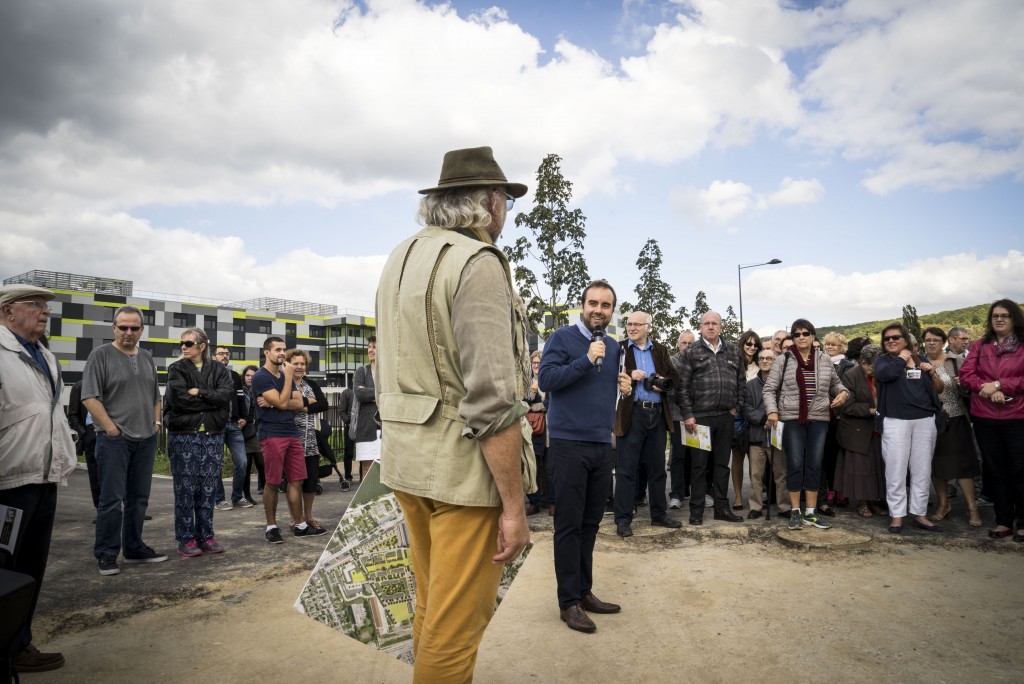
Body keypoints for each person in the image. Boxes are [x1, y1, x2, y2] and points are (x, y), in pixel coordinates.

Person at [375, 146, 536, 680]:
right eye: (507, 201)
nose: (506, 213)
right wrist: (513, 506)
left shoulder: (401, 254)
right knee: (455, 630)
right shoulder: (478, 260)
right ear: (490, 203)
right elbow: (491, 398)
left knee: (432, 607)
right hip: (462, 476)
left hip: (405, 462)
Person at [539, 278, 632, 634]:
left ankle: (584, 591)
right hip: (567, 445)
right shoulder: (562, 338)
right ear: (582, 305)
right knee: (568, 525)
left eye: (605, 305)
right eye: (593, 303)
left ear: (612, 311)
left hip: (600, 445)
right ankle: (569, 603)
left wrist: (623, 389)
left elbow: (601, 393)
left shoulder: (612, 346)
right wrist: (584, 360)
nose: (598, 310)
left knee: (591, 523)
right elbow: (547, 380)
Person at [0, 284, 76, 673]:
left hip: (43, 474)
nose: (44, 312)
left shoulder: (44, 354)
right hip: (8, 478)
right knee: (3, 566)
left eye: (46, 306)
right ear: (8, 311)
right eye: (35, 305)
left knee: (31, 566)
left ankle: (18, 644)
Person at [81, 305, 167, 576]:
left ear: (141, 329)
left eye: (134, 327)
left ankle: (134, 548)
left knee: (139, 498)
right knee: (111, 499)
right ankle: (106, 553)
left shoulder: (146, 357)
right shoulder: (101, 355)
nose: (128, 332)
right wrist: (110, 429)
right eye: (123, 327)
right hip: (115, 440)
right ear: (114, 328)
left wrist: (155, 423)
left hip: (145, 438)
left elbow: (155, 395)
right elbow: (89, 397)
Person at [763, 319, 848, 531]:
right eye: (797, 334)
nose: (801, 337)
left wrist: (844, 393)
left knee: (814, 464)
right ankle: (795, 512)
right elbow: (769, 389)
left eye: (805, 333)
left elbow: (836, 383)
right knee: (795, 464)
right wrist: (772, 411)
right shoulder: (783, 360)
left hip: (819, 418)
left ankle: (811, 512)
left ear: (813, 336)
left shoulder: (825, 359)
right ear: (793, 338)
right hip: (792, 418)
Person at [164, 328, 234, 557]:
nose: (183, 346)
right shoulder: (176, 369)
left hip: (212, 435)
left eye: (188, 343)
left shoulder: (219, 369)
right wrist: (210, 400)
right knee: (185, 488)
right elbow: (179, 400)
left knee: (208, 487)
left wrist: (200, 393)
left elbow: (226, 396)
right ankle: (186, 538)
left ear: (202, 346)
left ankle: (206, 536)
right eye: (181, 343)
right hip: (184, 435)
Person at [612, 311, 682, 537]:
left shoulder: (659, 350)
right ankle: (623, 519)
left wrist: (663, 385)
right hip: (632, 414)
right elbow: (607, 374)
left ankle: (659, 515)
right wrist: (630, 374)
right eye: (629, 324)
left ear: (648, 327)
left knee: (657, 470)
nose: (631, 328)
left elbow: (674, 377)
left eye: (636, 324)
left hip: (657, 415)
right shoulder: (620, 349)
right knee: (626, 470)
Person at [959, 299, 1024, 541]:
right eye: (995, 315)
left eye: (1004, 315)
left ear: (1014, 318)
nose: (999, 319)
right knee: (996, 471)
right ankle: (1003, 522)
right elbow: (966, 375)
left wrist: (1000, 384)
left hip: (1018, 417)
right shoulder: (980, 345)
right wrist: (987, 389)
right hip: (985, 417)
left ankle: (1023, 522)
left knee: (1019, 470)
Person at [677, 311, 747, 526]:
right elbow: (682, 387)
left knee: (721, 465)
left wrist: (737, 407)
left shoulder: (734, 352)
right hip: (699, 419)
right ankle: (696, 511)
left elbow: (741, 384)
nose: (710, 327)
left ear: (721, 327)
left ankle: (721, 509)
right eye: (706, 323)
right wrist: (688, 415)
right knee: (698, 467)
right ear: (700, 327)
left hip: (726, 417)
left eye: (714, 323)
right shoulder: (691, 352)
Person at [873, 323, 944, 534]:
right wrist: (903, 357)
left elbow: (939, 389)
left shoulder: (922, 361)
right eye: (887, 339)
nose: (891, 341)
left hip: (924, 419)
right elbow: (887, 376)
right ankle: (897, 516)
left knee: (922, 469)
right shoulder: (883, 362)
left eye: (895, 337)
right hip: (896, 421)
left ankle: (920, 514)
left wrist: (931, 373)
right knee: (895, 469)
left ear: (905, 339)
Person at [921, 327, 982, 526]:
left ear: (943, 341)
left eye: (936, 340)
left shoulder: (955, 361)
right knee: (937, 466)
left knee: (963, 466)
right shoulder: (918, 364)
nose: (931, 343)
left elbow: (973, 384)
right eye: (928, 340)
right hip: (931, 420)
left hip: (956, 418)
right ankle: (943, 505)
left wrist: (963, 383)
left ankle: (972, 508)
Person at [251, 336, 309, 543]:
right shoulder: (260, 377)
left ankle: (300, 524)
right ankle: (271, 526)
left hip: (291, 433)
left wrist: (276, 401)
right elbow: (284, 403)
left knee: (296, 480)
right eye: (277, 349)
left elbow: (299, 403)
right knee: (273, 482)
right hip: (272, 434)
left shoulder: (285, 375)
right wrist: (285, 386)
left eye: (283, 349)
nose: (282, 353)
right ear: (266, 353)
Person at [834, 344, 888, 518]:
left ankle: (874, 501)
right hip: (857, 431)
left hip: (879, 430)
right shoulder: (850, 376)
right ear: (863, 362)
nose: (874, 370)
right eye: (871, 365)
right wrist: (872, 410)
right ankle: (862, 502)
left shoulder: (882, 375)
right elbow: (846, 407)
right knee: (861, 470)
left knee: (877, 468)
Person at [285, 349, 329, 535]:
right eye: (296, 363)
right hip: (291, 439)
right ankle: (296, 519)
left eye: (302, 364)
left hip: (311, 440)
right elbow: (284, 403)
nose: (299, 367)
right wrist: (307, 402)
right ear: (288, 365)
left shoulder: (311, 383)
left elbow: (323, 404)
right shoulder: (284, 384)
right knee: (295, 481)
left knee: (311, 482)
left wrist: (301, 407)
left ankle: (309, 517)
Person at [742, 348, 790, 519]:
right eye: (761, 358)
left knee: (781, 474)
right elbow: (746, 409)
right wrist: (764, 419)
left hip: (778, 436)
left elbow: (788, 406)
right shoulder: (750, 385)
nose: (764, 361)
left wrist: (774, 420)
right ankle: (755, 507)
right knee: (755, 475)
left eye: (769, 358)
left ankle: (784, 507)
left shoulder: (784, 384)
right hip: (756, 436)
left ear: (776, 361)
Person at [213, 346, 253, 509]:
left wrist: (243, 417)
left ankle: (237, 497)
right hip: (216, 425)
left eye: (226, 354)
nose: (224, 356)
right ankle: (219, 499)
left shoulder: (234, 376)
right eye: (221, 353)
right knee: (216, 463)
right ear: (213, 356)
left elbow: (241, 398)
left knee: (242, 462)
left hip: (234, 425)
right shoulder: (209, 374)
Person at [730, 330, 762, 511]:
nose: (752, 347)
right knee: (738, 457)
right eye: (748, 344)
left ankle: (755, 498)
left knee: (756, 460)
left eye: (755, 344)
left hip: (756, 416)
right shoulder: (734, 365)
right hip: (737, 416)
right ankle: (738, 497)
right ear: (742, 344)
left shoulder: (761, 364)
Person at [667, 330, 696, 509]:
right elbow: (669, 389)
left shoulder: (701, 360)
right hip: (677, 415)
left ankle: (699, 493)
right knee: (678, 456)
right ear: (679, 344)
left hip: (697, 415)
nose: (687, 346)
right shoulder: (671, 362)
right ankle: (676, 494)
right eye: (684, 343)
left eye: (691, 343)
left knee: (698, 457)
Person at [525, 351, 552, 516]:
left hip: (549, 429)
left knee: (550, 468)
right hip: (532, 429)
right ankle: (534, 502)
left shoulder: (549, 380)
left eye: (539, 362)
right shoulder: (526, 382)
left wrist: (535, 406)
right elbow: (522, 402)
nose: (536, 365)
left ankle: (552, 502)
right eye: (534, 363)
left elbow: (552, 402)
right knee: (532, 467)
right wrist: (533, 394)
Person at [67, 380, 99, 511]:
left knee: (122, 472)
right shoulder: (79, 387)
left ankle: (131, 510)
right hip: (91, 433)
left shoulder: (110, 383)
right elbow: (72, 414)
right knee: (95, 474)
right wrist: (83, 433)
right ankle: (101, 510)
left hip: (112, 431)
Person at [352, 336, 379, 479]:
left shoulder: (388, 370)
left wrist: (369, 392)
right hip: (366, 428)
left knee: (385, 468)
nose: (371, 350)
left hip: (385, 429)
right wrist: (379, 394)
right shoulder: (361, 371)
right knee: (367, 469)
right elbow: (359, 394)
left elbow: (391, 392)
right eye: (369, 347)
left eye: (374, 347)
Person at [240, 365, 265, 499]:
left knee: (262, 464)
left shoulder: (260, 390)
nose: (250, 378)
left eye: (253, 375)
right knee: (247, 465)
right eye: (248, 375)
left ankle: (265, 490)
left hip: (260, 431)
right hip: (246, 432)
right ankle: (247, 495)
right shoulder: (240, 391)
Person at [336, 386, 355, 490]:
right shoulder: (346, 393)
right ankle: (348, 477)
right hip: (350, 426)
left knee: (364, 453)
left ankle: (363, 477)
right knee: (348, 452)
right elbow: (341, 410)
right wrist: (348, 422)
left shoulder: (364, 392)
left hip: (363, 426)